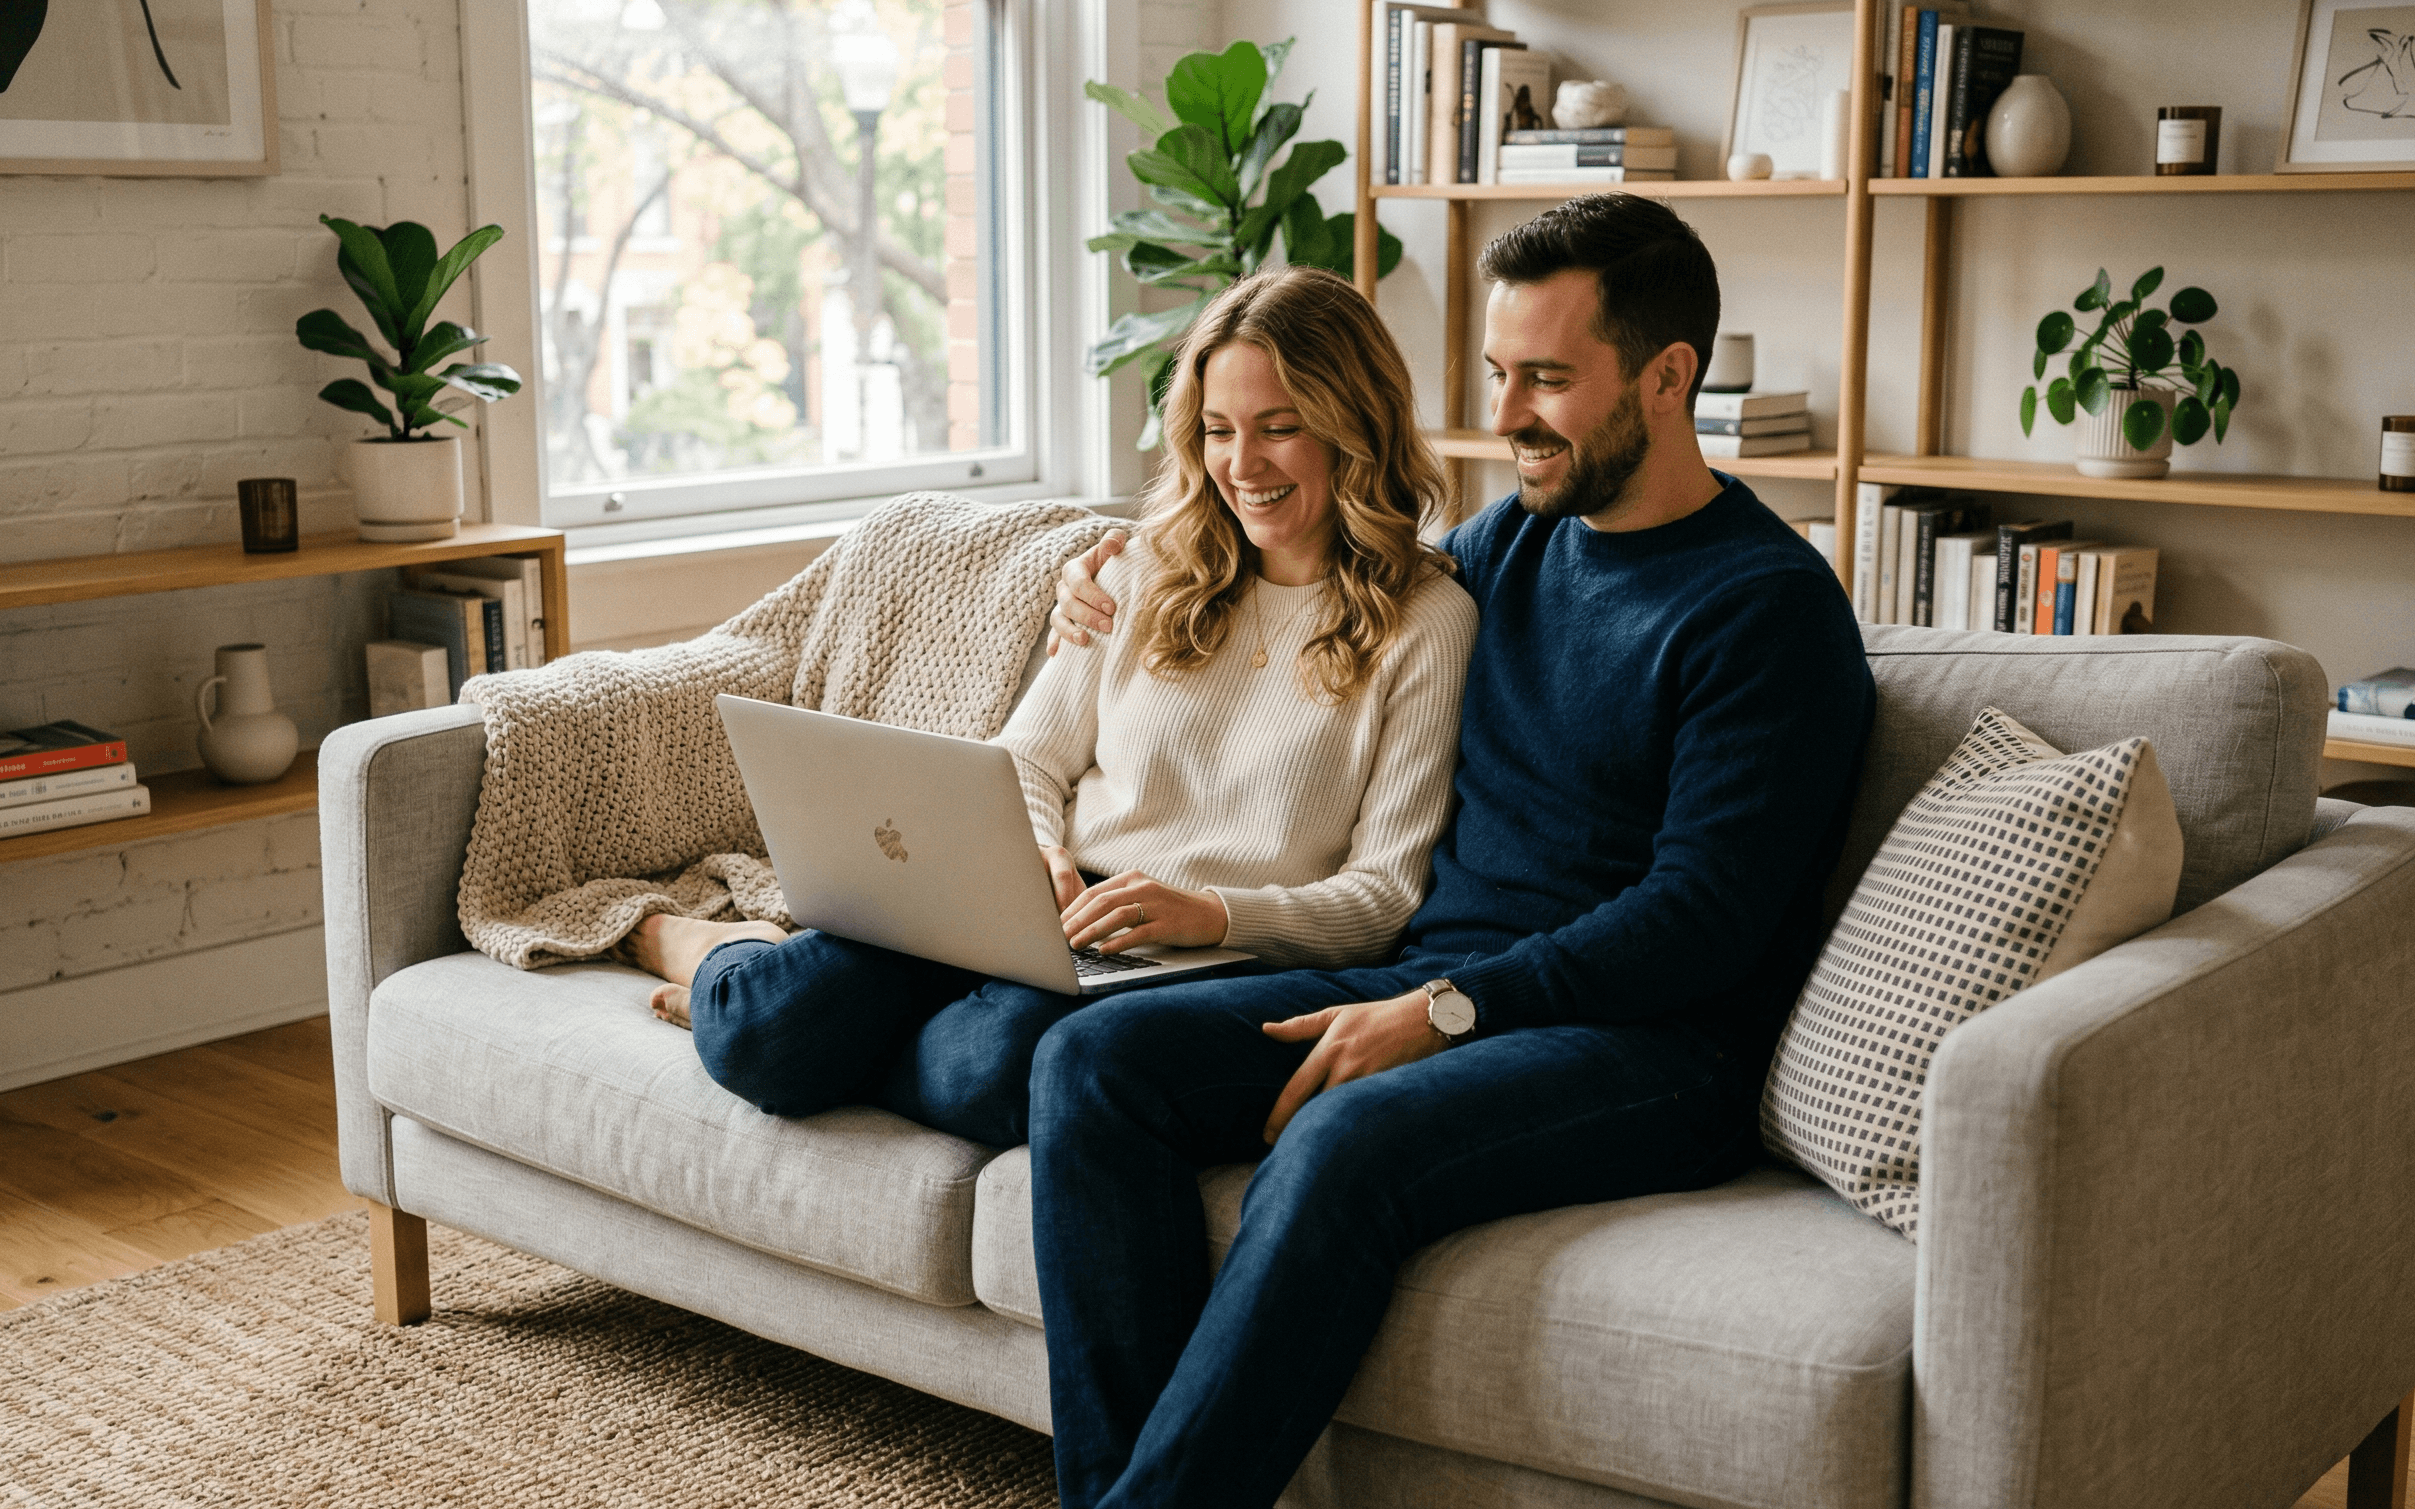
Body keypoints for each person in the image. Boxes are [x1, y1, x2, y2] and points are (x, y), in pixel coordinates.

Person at [1031, 193, 1879, 1508]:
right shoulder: (1508, 546)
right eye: (1498, 373)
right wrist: (1111, 562)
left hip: (1651, 1047)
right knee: (1093, 1061)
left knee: (1342, 1143)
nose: (1508, 412)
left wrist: (1445, 1007)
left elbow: (1700, 920)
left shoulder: (1767, 613)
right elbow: (1315, 549)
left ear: (1668, 379)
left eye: (1547, 377)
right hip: (1439, 976)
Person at [621, 265, 1479, 1152]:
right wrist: (1032, 850)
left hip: (1190, 958)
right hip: (1032, 910)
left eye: (1280, 428)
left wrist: (1213, 913)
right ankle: (721, 951)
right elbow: (1025, 758)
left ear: (1356, 428)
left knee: (992, 1069)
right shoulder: (1143, 568)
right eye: (1218, 430)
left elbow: (1384, 898)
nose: (1241, 464)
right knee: (768, 1023)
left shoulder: (1427, 622)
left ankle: (796, 1025)